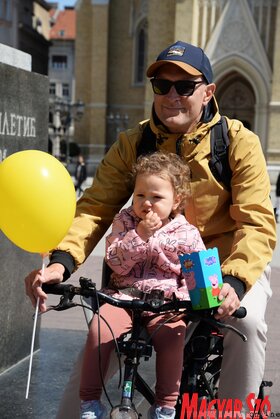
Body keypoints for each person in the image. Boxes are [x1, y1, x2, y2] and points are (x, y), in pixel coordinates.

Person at [25, 40, 276, 418]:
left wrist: (235, 282)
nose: (171, 95)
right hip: (147, 273)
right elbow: (94, 208)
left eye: (184, 86)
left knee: (248, 326)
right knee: (90, 363)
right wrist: (60, 263)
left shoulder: (238, 142)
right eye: (162, 85)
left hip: (222, 268)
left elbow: (256, 222)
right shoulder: (134, 142)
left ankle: (234, 413)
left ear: (208, 92)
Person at [80, 151, 206, 419]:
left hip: (166, 303)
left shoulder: (187, 232)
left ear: (177, 200)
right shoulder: (125, 221)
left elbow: (199, 276)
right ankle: (90, 401)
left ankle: (165, 405)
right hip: (124, 297)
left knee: (173, 338)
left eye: (157, 197)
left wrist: (188, 300)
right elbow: (115, 261)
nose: (146, 204)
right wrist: (139, 235)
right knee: (98, 330)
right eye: (140, 195)